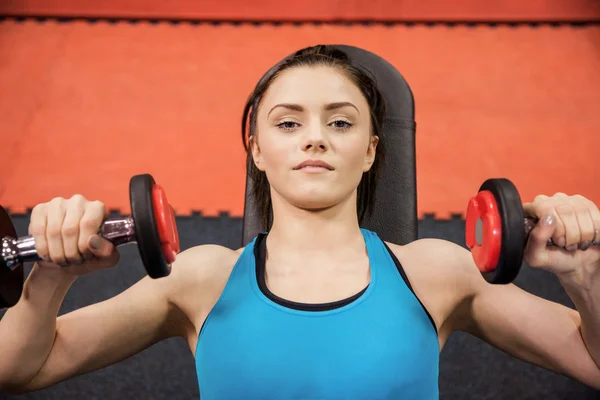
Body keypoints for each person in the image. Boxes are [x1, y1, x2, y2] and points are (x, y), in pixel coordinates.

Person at [0, 45, 599, 399]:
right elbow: (21, 368)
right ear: (255, 148)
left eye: (340, 123)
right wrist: (50, 276)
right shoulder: (198, 279)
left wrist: (586, 276)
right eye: (288, 123)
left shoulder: (439, 272)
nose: (315, 136)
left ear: (370, 150)